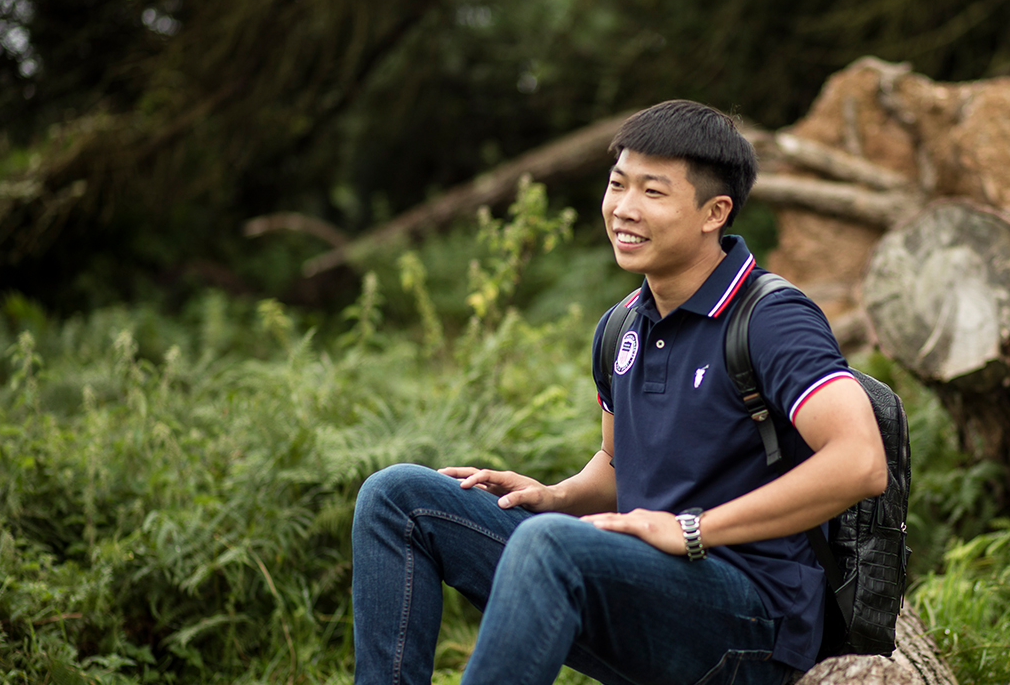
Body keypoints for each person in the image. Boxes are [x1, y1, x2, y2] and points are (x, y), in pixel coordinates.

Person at [351, 99, 887, 685]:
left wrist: (692, 530)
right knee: (398, 496)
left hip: (753, 619)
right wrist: (556, 496)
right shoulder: (622, 325)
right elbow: (616, 463)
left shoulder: (770, 317)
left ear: (715, 212)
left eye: (653, 193)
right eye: (617, 185)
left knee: (552, 546)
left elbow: (860, 463)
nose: (624, 210)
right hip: (643, 585)